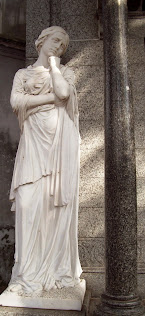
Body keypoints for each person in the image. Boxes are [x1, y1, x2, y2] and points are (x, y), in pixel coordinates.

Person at [8, 26, 82, 294]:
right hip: (33, 146)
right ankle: (26, 275)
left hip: (59, 147)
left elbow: (64, 94)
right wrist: (48, 99)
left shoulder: (65, 72)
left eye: (62, 45)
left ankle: (51, 270)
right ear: (41, 40)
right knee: (28, 205)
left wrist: (54, 65)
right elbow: (16, 102)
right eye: (55, 41)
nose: (58, 46)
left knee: (53, 209)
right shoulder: (22, 74)